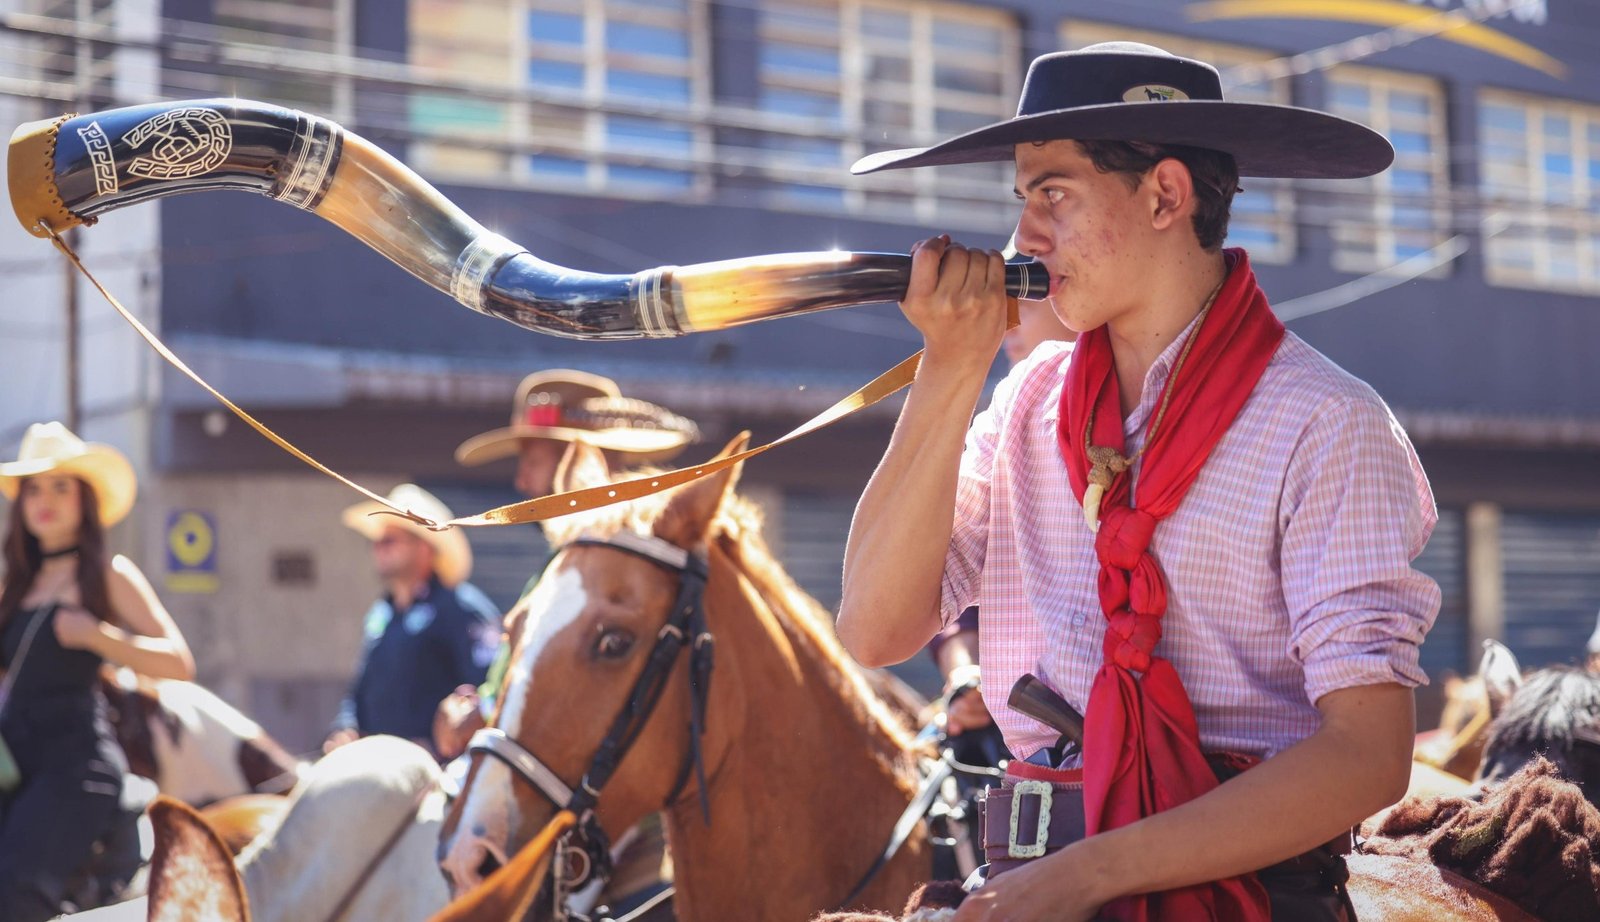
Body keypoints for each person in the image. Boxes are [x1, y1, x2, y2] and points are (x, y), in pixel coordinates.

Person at [837, 43, 1439, 922]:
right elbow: (873, 628)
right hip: (1024, 874)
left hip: (1248, 893)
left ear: (1164, 194)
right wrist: (948, 368)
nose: (1022, 239)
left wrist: (1084, 876)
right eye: (1023, 199)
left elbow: (1367, 755)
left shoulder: (1327, 421)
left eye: (1054, 194)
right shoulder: (1024, 405)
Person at [433, 369, 700, 759]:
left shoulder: (624, 571)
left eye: (533, 461)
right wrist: (477, 706)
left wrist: (487, 712)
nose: (521, 483)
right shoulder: (563, 564)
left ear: (581, 461)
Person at [0, 422, 195, 921]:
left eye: (61, 486)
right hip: (13, 758)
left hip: (75, 764)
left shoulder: (109, 575)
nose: (46, 499)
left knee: (17, 888)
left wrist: (98, 637)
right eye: (34, 489)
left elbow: (178, 662)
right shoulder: (12, 581)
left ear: (85, 500)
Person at [934, 297, 1076, 745]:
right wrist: (965, 674)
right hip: (1013, 722)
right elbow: (945, 596)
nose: (1006, 325)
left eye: (1026, 304)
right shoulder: (1004, 418)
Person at [324, 483, 500, 760]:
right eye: (377, 542)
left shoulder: (461, 608)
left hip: (437, 770)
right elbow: (360, 689)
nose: (379, 549)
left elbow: (490, 689)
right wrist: (346, 728)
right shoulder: (381, 613)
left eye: (390, 541)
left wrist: (435, 744)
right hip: (374, 762)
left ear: (424, 549)